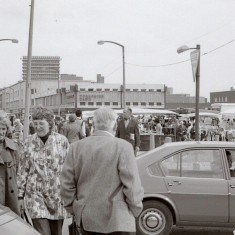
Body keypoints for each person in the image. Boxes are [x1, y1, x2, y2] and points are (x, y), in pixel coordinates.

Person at [60, 107, 144, 235]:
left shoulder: (76, 147)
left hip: (87, 217)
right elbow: (132, 185)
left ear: (93, 124)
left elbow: (66, 184)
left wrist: (74, 208)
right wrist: (136, 209)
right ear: (115, 125)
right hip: (118, 219)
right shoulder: (123, 147)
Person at [17, 106, 70, 235]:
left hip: (57, 196)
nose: (38, 126)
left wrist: (72, 194)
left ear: (50, 124)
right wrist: (19, 196)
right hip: (35, 196)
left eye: (41, 123)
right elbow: (23, 170)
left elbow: (70, 169)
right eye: (35, 123)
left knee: (56, 233)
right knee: (42, 232)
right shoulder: (28, 142)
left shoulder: (61, 141)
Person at [0, 110, 20, 215]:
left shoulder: (13, 146)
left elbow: (18, 170)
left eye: (3, 129)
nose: (1, 132)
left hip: (9, 195)